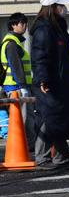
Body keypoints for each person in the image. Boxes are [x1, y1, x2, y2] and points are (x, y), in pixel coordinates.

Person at [30, 0, 69, 168]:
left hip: (60, 81)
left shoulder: (57, 27)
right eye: (61, 5)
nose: (64, 9)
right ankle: (42, 157)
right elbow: (40, 56)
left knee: (59, 118)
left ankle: (62, 155)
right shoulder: (44, 28)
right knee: (48, 118)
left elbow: (63, 57)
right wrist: (43, 79)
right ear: (53, 7)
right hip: (49, 82)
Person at [1, 12, 36, 149]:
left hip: (16, 86)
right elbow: (16, 67)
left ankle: (26, 146)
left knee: (24, 118)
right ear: (13, 25)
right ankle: (26, 146)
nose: (25, 26)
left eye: (25, 23)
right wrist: (23, 86)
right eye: (22, 23)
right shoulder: (11, 44)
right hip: (17, 87)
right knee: (24, 118)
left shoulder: (14, 43)